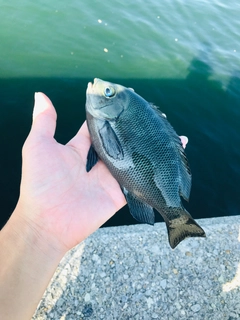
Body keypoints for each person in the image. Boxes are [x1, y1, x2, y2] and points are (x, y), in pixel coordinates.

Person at [0, 93, 188, 319]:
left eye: (109, 93)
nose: (99, 88)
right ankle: (177, 218)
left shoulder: (111, 117)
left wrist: (38, 230)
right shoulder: (111, 116)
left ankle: (177, 220)